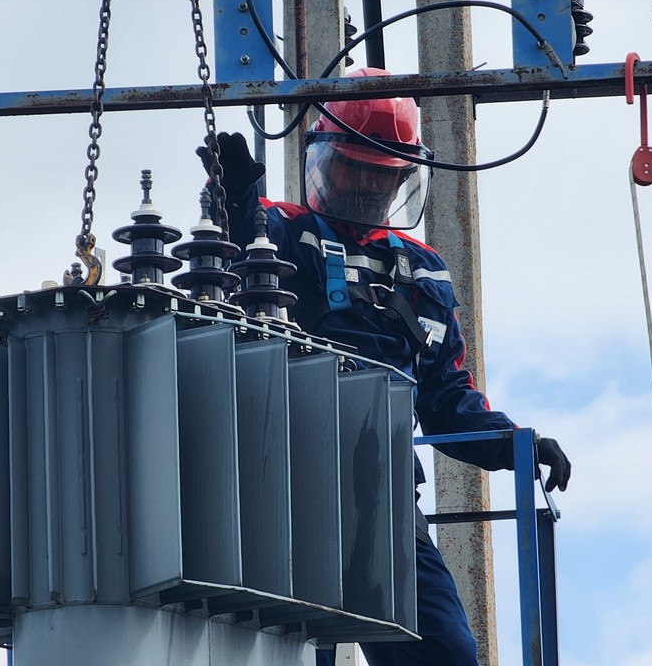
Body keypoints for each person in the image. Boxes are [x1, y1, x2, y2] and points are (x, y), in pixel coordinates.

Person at [196, 67, 570, 666]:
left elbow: (448, 397)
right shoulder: (282, 232)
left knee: (446, 652)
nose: (367, 186)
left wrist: (516, 446)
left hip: (383, 493)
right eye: (355, 169)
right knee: (284, 652)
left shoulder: (422, 272)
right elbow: (234, 264)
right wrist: (234, 197)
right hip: (280, 486)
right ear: (325, 160)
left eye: (383, 175)